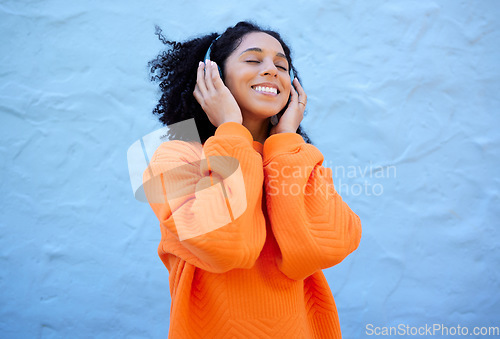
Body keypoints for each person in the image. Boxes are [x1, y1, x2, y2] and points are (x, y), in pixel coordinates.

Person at [143, 21, 362, 338]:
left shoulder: (295, 158)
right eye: (253, 59)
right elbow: (227, 246)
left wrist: (285, 140)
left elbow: (322, 249)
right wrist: (231, 130)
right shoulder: (173, 157)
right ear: (212, 77)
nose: (272, 71)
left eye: (282, 65)